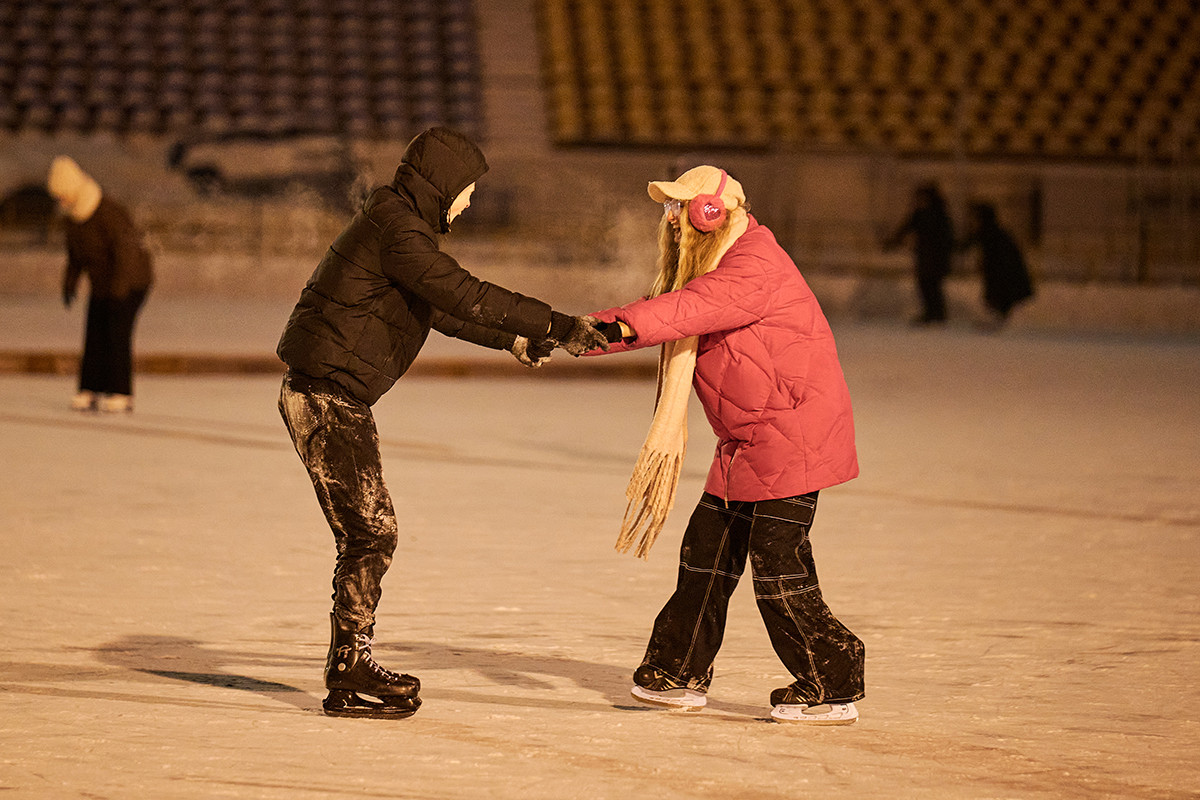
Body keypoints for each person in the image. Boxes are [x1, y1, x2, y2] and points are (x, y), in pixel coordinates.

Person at [276, 126, 607, 719]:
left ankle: (348, 663)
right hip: (325, 395)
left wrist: (512, 337)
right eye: (468, 190)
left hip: (332, 392)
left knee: (368, 533)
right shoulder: (397, 229)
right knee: (372, 533)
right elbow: (462, 292)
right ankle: (348, 665)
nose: (470, 202)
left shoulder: (396, 224)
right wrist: (557, 323)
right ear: (443, 185)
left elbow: (437, 308)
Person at [585, 166, 864, 725]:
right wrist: (584, 331)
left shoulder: (753, 264)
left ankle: (833, 679)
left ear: (713, 212)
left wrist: (603, 330)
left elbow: (683, 310)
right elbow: (672, 305)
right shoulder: (718, 266)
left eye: (681, 206)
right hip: (750, 440)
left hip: (791, 436)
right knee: (706, 555)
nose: (671, 218)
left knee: (778, 567)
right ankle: (677, 670)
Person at [47, 156, 154, 413]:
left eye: (63, 195)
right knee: (94, 331)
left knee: (116, 333)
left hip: (131, 281)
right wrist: (70, 284)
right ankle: (90, 388)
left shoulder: (106, 210)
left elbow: (126, 253)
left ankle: (121, 392)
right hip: (103, 283)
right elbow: (76, 256)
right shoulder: (73, 218)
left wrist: (119, 290)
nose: (61, 201)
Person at [883, 181, 955, 326]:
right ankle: (932, 313)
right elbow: (905, 228)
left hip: (936, 257)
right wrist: (892, 242)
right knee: (925, 284)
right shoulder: (920, 214)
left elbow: (946, 236)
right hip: (925, 256)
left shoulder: (938, 214)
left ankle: (937, 314)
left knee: (933, 285)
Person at [960, 201, 1035, 330]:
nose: (972, 222)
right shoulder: (992, 231)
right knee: (996, 297)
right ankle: (1000, 321)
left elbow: (1000, 257)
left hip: (1003, 273)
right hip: (1001, 273)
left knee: (998, 297)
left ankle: (1000, 322)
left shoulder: (990, 233)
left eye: (974, 217)